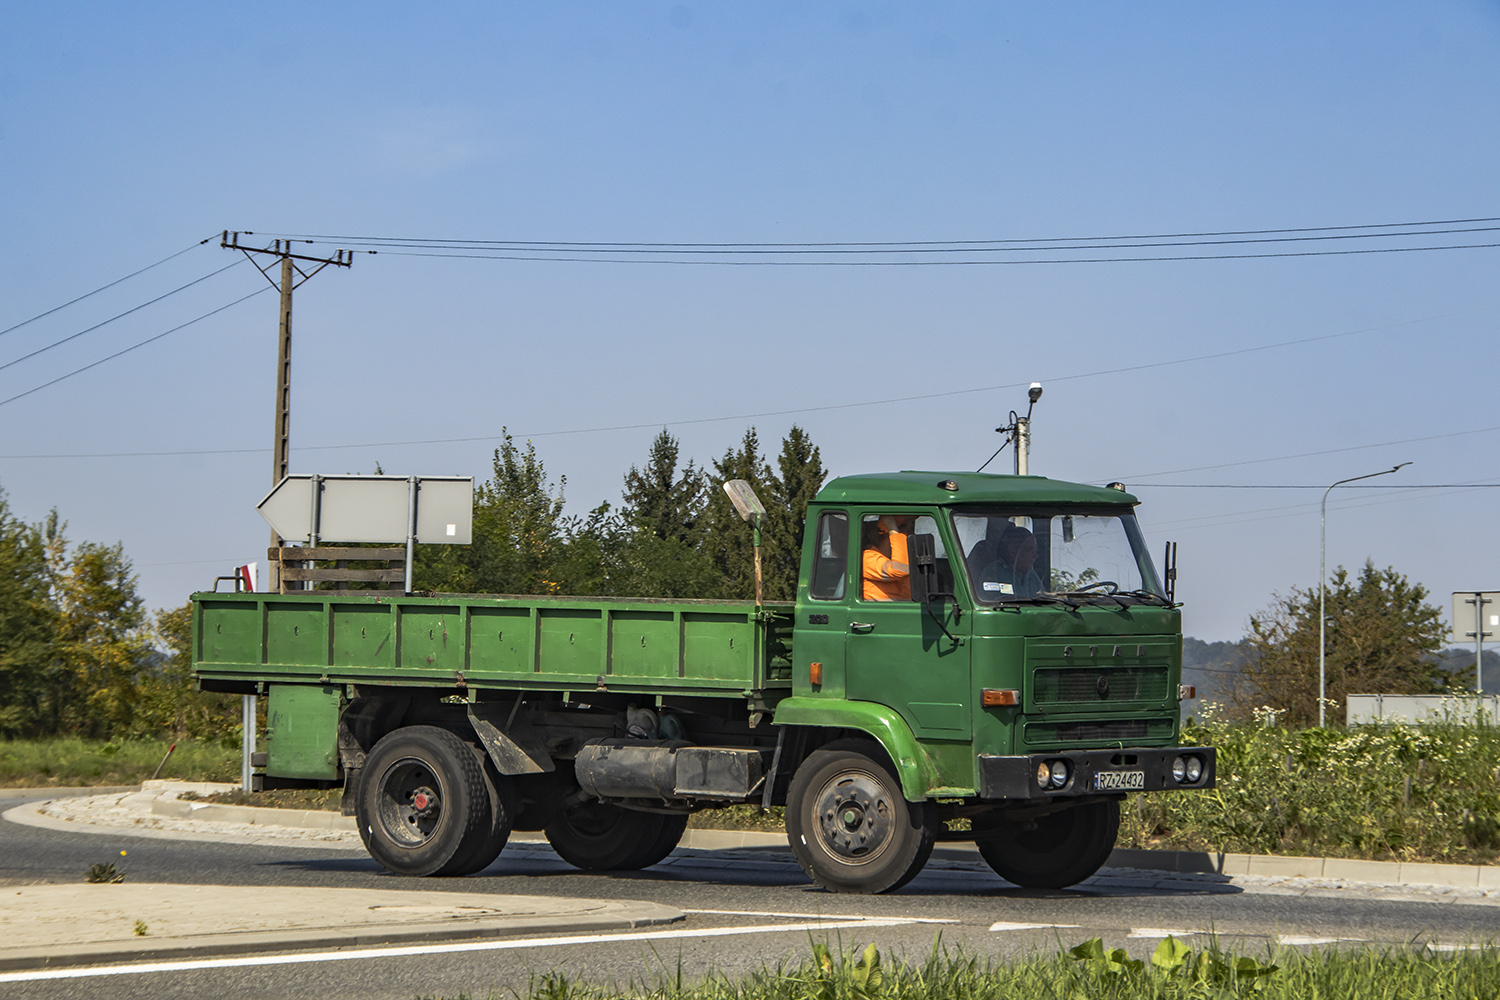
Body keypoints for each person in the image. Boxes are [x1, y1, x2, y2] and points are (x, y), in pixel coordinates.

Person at [977, 524, 1043, 597]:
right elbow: (995, 604)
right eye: (1030, 550)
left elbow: (1044, 599)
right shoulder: (993, 573)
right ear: (1012, 550)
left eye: (1035, 551)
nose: (1035, 556)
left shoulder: (1032, 575)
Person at [861, 515, 912, 601]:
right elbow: (899, 570)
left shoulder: (902, 559)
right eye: (902, 535)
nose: (906, 539)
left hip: (905, 610)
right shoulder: (868, 557)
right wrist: (893, 528)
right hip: (880, 612)